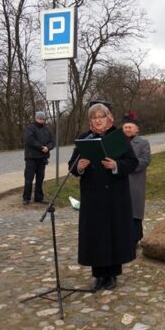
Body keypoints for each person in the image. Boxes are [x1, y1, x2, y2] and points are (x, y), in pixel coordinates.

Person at [68, 103, 138, 291]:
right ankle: (98, 276)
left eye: (101, 116)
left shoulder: (118, 136)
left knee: (113, 234)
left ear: (109, 118)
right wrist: (80, 166)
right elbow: (72, 167)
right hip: (93, 196)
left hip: (115, 196)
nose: (98, 120)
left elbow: (132, 162)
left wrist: (116, 165)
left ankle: (112, 275)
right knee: (96, 236)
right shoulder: (84, 138)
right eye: (94, 117)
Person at [122, 115, 151, 243]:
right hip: (120, 180)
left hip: (135, 181)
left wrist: (126, 165)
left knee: (135, 211)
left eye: (130, 127)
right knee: (122, 212)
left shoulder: (143, 143)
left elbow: (145, 161)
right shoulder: (119, 142)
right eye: (125, 127)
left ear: (136, 129)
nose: (127, 129)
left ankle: (135, 238)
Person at [22, 111, 54, 205]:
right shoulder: (30, 128)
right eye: (40, 119)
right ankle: (26, 198)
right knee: (29, 179)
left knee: (40, 179)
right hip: (31, 158)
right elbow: (29, 140)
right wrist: (41, 147)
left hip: (42, 158)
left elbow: (52, 141)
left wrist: (48, 147)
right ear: (36, 118)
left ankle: (39, 197)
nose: (41, 120)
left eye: (43, 119)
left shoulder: (47, 130)